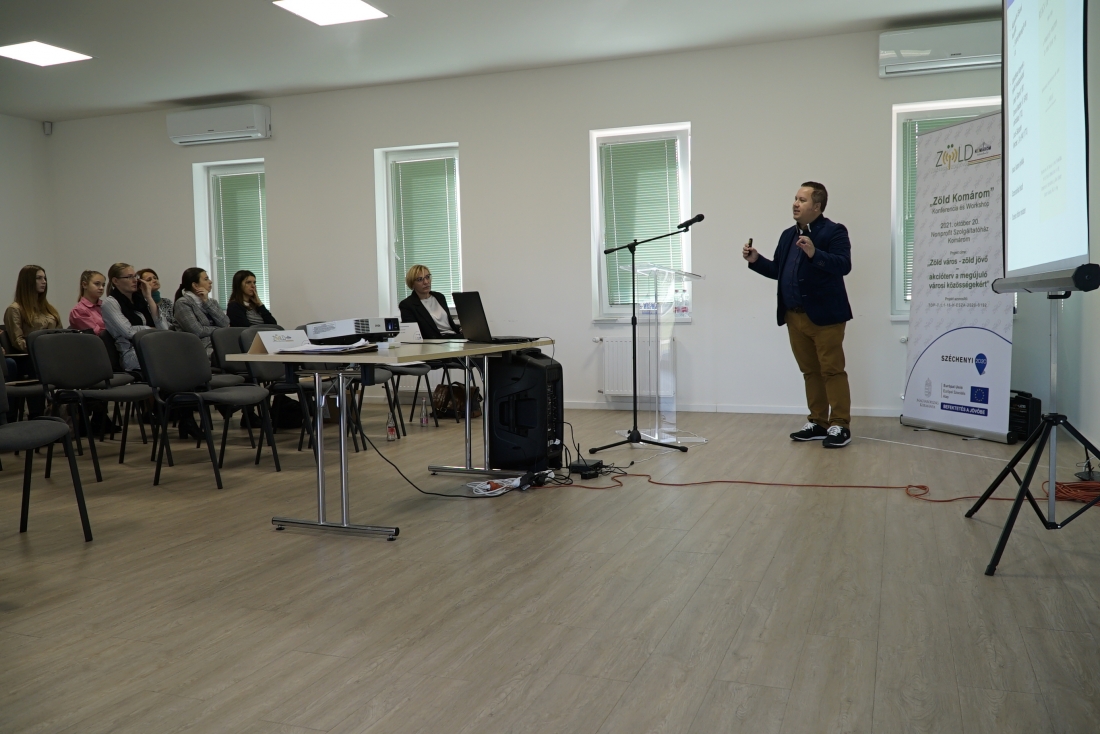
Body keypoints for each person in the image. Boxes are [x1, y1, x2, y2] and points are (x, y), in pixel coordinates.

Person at [743, 181, 853, 448]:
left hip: (825, 317)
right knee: (810, 372)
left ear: (817, 206)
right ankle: (818, 422)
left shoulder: (834, 231)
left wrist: (815, 253)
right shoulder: (787, 236)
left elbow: (843, 265)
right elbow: (778, 271)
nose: (795, 203)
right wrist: (756, 260)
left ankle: (840, 424)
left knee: (832, 371)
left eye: (802, 200)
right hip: (794, 317)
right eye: (795, 198)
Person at [102, 262, 168, 372]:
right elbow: (128, 332)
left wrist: (149, 297)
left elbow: (164, 328)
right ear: (115, 281)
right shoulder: (110, 303)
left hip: (152, 344)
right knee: (168, 355)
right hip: (131, 353)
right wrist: (152, 330)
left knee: (179, 350)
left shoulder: (140, 299)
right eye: (129, 277)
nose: (135, 280)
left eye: (135, 276)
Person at [4, 265, 62, 353]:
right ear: (27, 282)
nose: (44, 282)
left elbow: (61, 334)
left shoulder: (50, 309)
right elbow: (18, 342)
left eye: (44, 278)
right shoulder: (14, 309)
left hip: (54, 353)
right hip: (33, 355)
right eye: (39, 278)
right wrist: (45, 348)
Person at [172, 267, 229, 357]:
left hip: (217, 343)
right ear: (195, 285)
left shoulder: (212, 302)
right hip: (198, 348)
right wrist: (219, 330)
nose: (210, 282)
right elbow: (197, 331)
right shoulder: (183, 303)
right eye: (206, 279)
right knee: (228, 355)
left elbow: (225, 323)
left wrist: (206, 302)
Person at [398, 265, 461, 339]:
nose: (426, 282)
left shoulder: (439, 297)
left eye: (427, 277)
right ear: (412, 284)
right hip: (435, 341)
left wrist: (461, 329)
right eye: (420, 279)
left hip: (454, 336)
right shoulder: (407, 305)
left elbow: (448, 325)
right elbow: (413, 334)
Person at [68, 270, 108, 335]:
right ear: (84, 285)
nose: (101, 288)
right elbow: (98, 333)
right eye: (97, 284)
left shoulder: (105, 305)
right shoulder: (79, 311)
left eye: (103, 285)